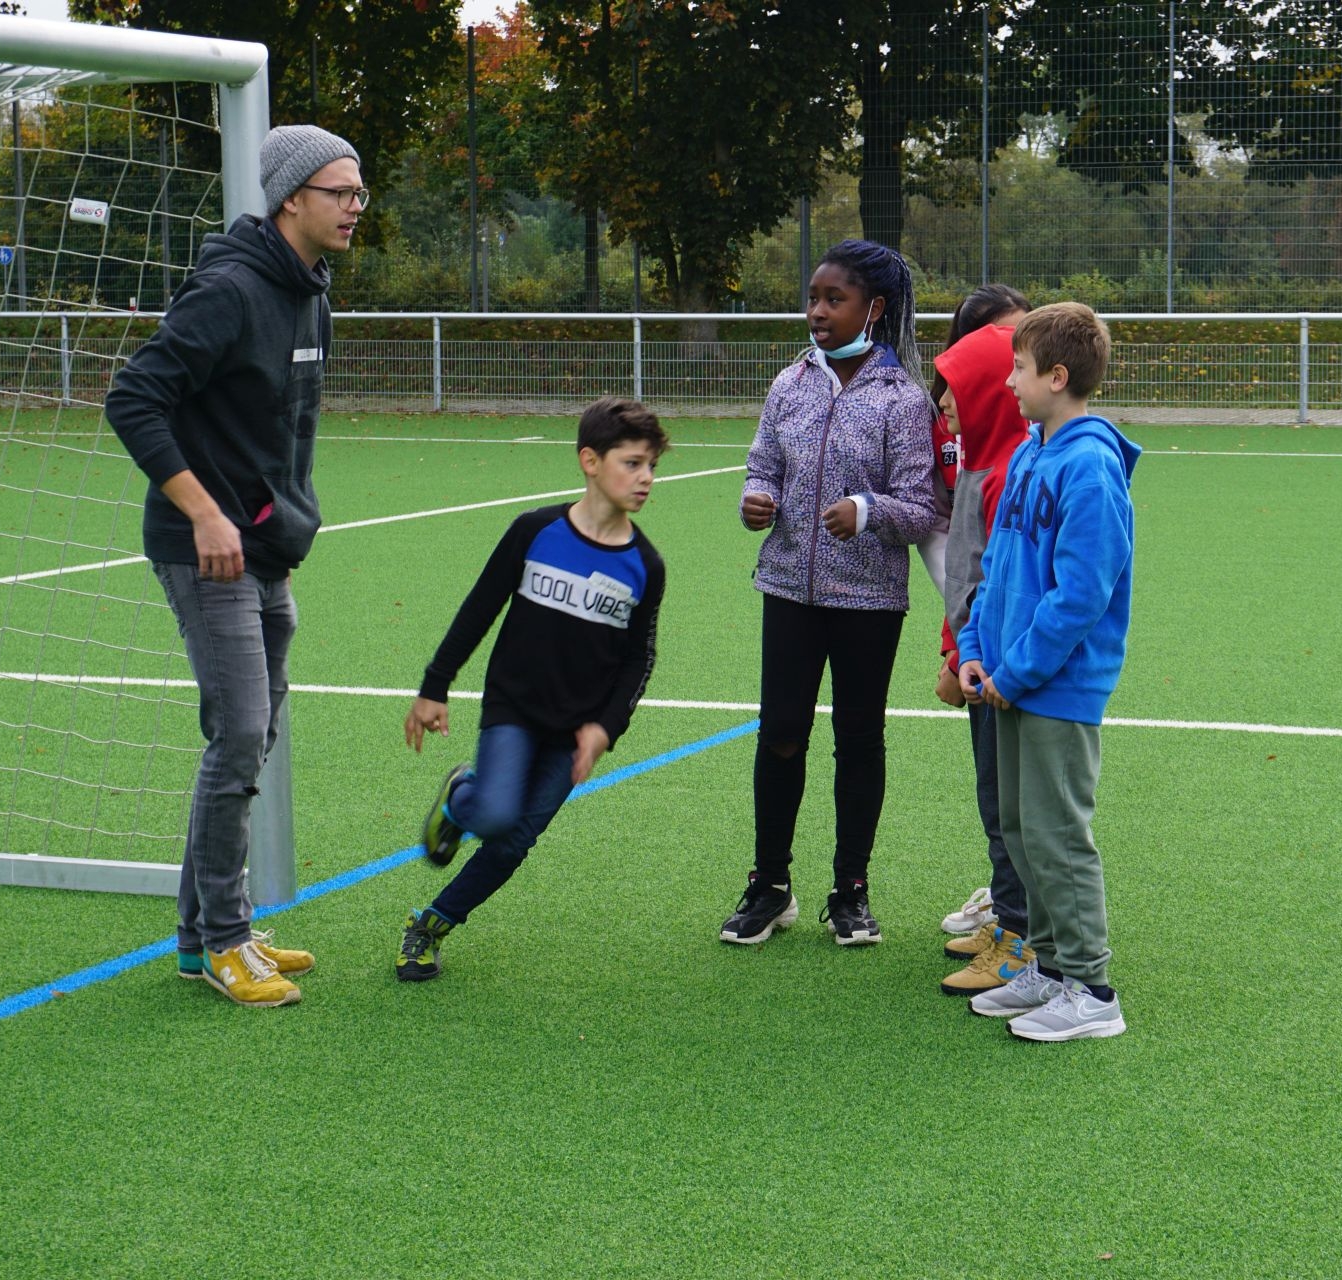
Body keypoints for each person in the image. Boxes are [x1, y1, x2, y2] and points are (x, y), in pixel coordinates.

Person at [105, 124, 365, 1007]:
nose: (354, 207)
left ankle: (202, 936)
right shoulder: (228, 290)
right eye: (339, 192)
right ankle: (223, 940)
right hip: (204, 548)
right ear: (291, 197)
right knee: (240, 734)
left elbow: (286, 432)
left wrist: (283, 522)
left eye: (359, 193)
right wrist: (206, 512)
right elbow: (133, 398)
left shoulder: (312, 294)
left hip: (265, 546)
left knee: (250, 737)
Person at [397, 398, 667, 981]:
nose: (645, 477)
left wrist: (605, 728)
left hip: (574, 730)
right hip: (514, 708)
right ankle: (461, 799)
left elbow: (639, 660)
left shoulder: (646, 565)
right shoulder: (535, 531)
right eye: (632, 463)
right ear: (590, 461)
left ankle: (432, 925)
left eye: (651, 465)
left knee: (514, 842)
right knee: (495, 814)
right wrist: (434, 686)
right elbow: (480, 607)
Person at [722, 238, 943, 947]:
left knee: (859, 739)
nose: (817, 311)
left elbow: (923, 508)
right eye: (813, 298)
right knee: (781, 734)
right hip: (788, 588)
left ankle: (851, 890)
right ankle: (769, 885)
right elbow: (763, 465)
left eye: (833, 299)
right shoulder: (789, 383)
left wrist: (867, 512)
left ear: (873, 309)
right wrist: (757, 499)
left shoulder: (902, 400)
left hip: (869, 601)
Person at [957, 302, 1140, 1041]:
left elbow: (1081, 594)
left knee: (1058, 836)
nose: (1009, 382)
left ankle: (1092, 992)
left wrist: (1018, 671)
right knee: (1021, 830)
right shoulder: (1031, 453)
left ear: (1057, 377)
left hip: (1054, 689)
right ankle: (1050, 966)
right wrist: (974, 645)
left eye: (1020, 369)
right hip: (1008, 680)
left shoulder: (1090, 466)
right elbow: (997, 567)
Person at [922, 288, 1043, 997]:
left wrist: (971, 657)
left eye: (956, 389)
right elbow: (962, 575)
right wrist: (955, 648)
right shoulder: (981, 464)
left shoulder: (1006, 475)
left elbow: (996, 585)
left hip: (999, 671)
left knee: (1010, 809)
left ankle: (1019, 938)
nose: (943, 403)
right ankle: (1008, 922)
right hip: (978, 661)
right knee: (995, 801)